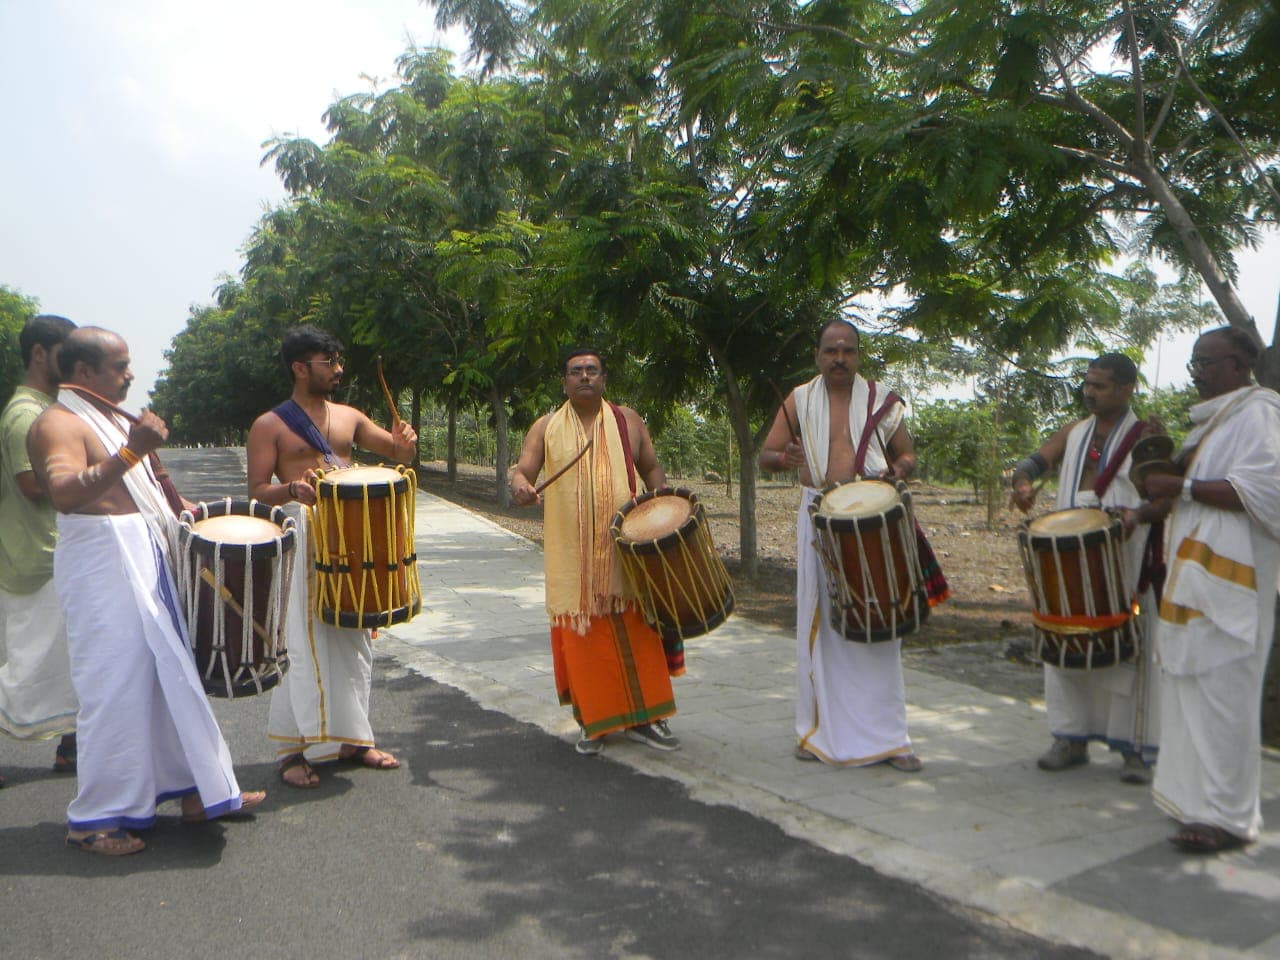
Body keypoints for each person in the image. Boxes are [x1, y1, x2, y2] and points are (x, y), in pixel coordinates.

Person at [26, 327, 262, 855]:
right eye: (120, 365)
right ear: (83, 372)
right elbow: (63, 493)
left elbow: (141, 486)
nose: (131, 374)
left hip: (142, 553)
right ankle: (93, 820)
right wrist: (132, 452)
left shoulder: (108, 417)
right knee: (113, 688)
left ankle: (199, 790)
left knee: (169, 678)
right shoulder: (55, 423)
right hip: (102, 563)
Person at [759, 319, 947, 772]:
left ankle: (890, 740)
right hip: (818, 516)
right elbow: (767, 456)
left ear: (858, 355)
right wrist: (785, 459)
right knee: (820, 628)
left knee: (880, 628)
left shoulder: (881, 399)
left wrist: (899, 470)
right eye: (830, 351)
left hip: (873, 517)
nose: (839, 359)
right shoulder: (799, 399)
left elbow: (907, 454)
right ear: (818, 356)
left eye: (847, 351)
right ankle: (816, 731)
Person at [1128, 326, 1280, 853]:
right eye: (1194, 363)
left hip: (1232, 586)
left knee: (1225, 699)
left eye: (1206, 362)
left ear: (1239, 363)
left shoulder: (1259, 412)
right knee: (1191, 690)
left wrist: (1182, 484)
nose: (1196, 373)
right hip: (1193, 577)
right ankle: (1195, 803)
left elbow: (1263, 491)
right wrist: (1154, 458)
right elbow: (1170, 495)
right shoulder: (1210, 425)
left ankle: (1230, 818)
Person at [246, 325, 417, 788]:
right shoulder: (270, 424)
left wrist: (405, 440)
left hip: (349, 537)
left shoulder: (350, 417)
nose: (338, 370)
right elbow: (258, 490)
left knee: (354, 641)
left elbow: (396, 452)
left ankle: (354, 739)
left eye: (339, 362)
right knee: (301, 643)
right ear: (300, 368)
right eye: (329, 362)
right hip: (302, 537)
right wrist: (292, 488)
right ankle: (292, 750)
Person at [510, 348, 681, 756]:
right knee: (584, 640)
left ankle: (648, 719)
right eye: (576, 371)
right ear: (564, 382)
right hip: (573, 561)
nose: (584, 377)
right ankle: (596, 721)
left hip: (626, 553)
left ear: (604, 379)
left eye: (592, 370)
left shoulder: (628, 421)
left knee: (640, 636)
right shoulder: (546, 427)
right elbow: (523, 471)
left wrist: (663, 510)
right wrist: (520, 486)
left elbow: (651, 468)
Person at [1010, 354, 1161, 784]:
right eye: (1088, 384)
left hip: (1124, 556)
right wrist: (1021, 482)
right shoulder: (1075, 432)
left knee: (1127, 648)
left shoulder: (1145, 437)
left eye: (1101, 386)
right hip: (1069, 556)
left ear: (1128, 389)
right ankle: (1070, 738)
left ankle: (1133, 748)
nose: (1090, 392)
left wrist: (1138, 516)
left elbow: (1164, 498)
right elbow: (1034, 462)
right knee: (1064, 640)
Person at [0, 316, 78, 784]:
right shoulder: (26, 415)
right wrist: (96, 476)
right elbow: (32, 484)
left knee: (69, 656)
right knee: (28, 667)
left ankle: (72, 748)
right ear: (38, 353)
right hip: (37, 556)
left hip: (50, 553)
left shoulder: (45, 407)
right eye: (65, 352)